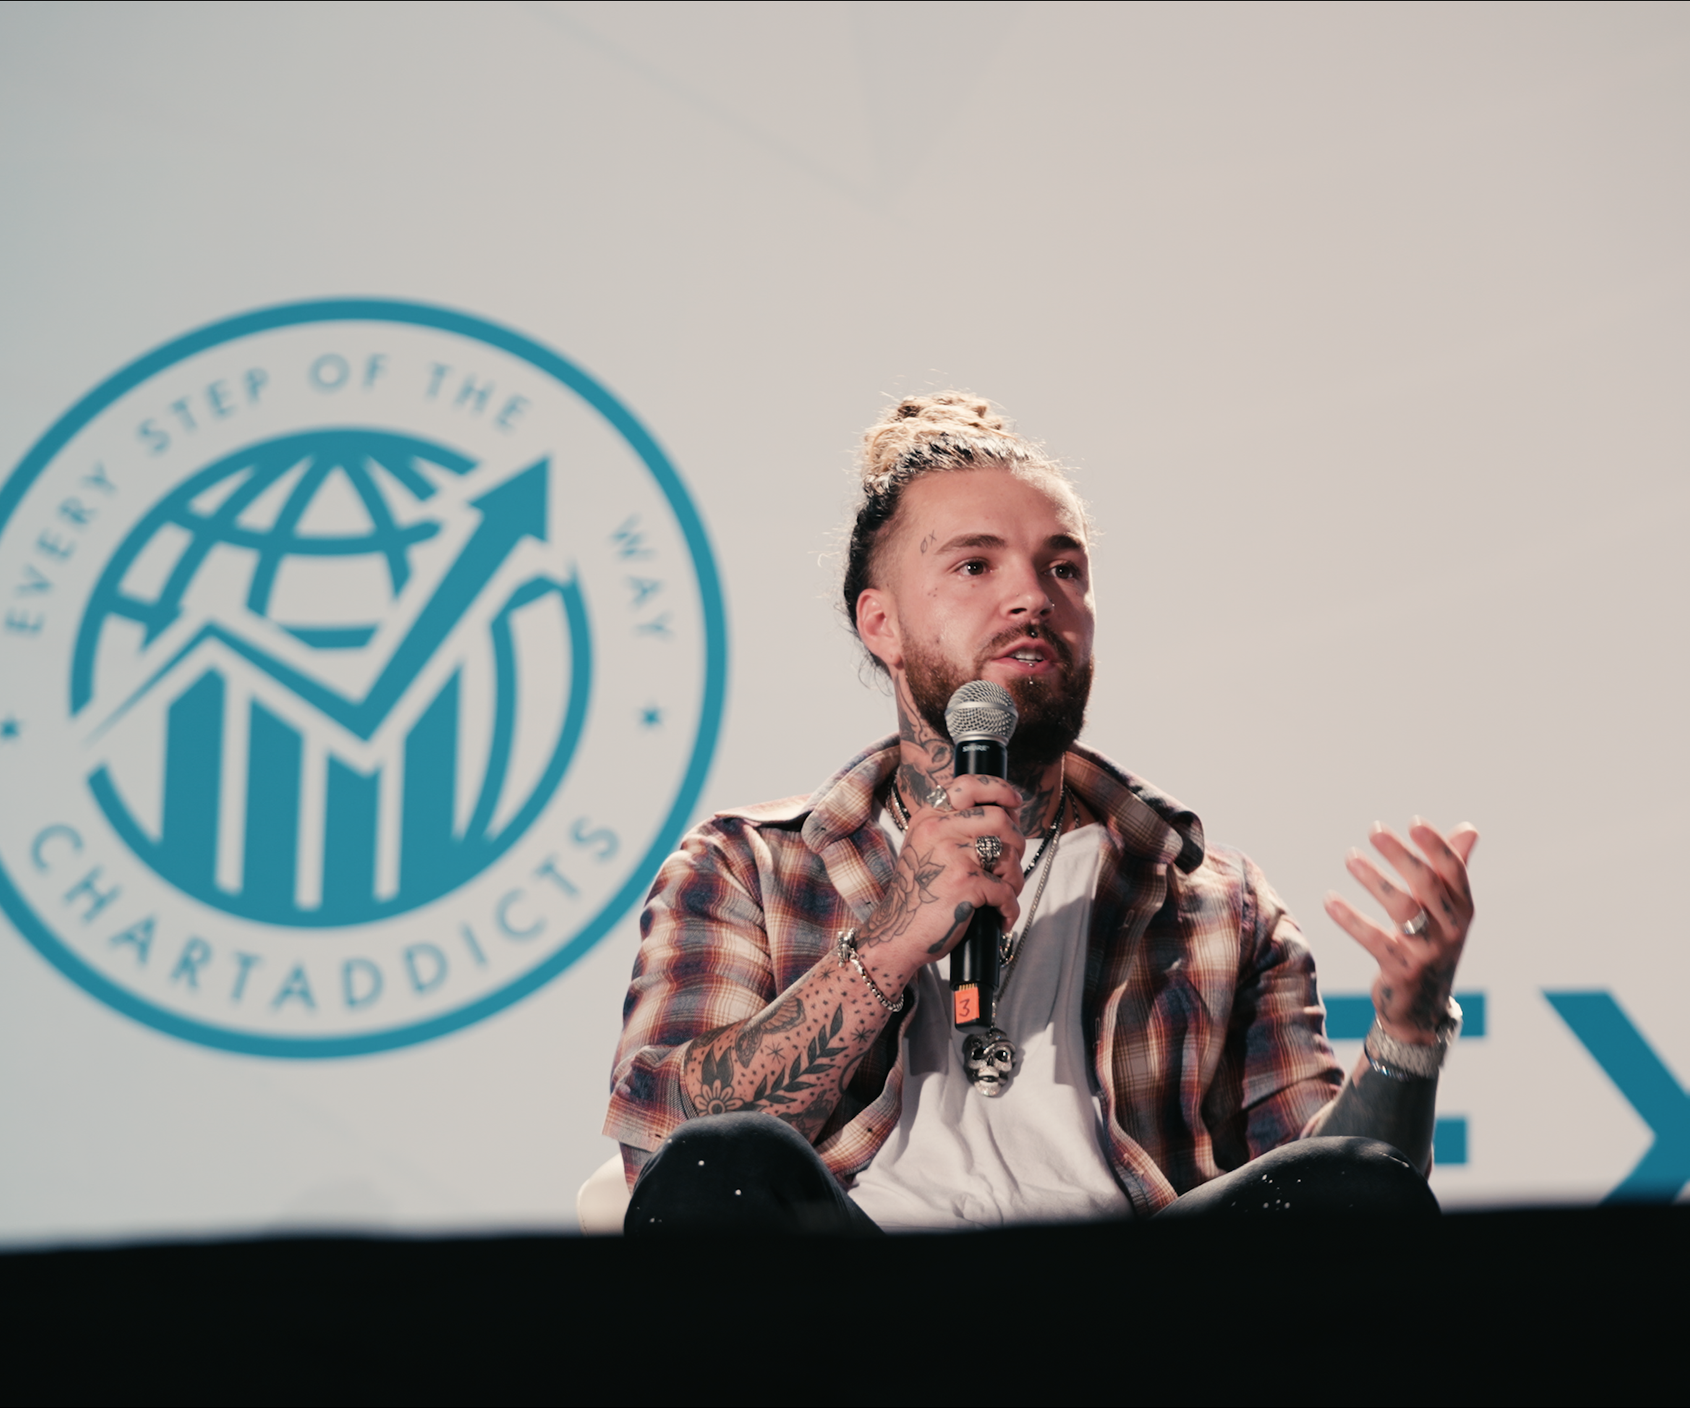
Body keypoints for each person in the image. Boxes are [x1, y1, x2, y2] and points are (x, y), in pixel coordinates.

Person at [603, 393, 1481, 1233]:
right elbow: (665, 1148)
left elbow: (1323, 1197)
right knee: (719, 1165)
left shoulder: (1215, 899)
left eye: (1064, 569)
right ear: (881, 624)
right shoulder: (748, 864)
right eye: (975, 566)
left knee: (1359, 1186)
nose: (1032, 598)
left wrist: (1407, 1032)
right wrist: (890, 943)